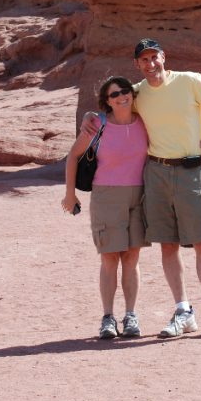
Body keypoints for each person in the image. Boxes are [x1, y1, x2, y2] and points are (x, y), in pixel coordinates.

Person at [83, 38, 201, 339]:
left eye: (155, 58)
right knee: (168, 244)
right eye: (144, 60)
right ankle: (183, 312)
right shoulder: (137, 92)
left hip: (191, 171)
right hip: (156, 172)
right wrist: (93, 116)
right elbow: (117, 107)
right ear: (137, 64)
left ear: (164, 57)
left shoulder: (190, 81)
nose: (151, 64)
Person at [63, 76, 149, 340]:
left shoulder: (145, 122)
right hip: (106, 196)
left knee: (132, 258)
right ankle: (108, 317)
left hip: (139, 196)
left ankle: (131, 315)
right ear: (107, 101)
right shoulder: (98, 124)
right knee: (110, 257)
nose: (122, 96)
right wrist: (70, 195)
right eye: (114, 95)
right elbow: (73, 156)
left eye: (125, 91)